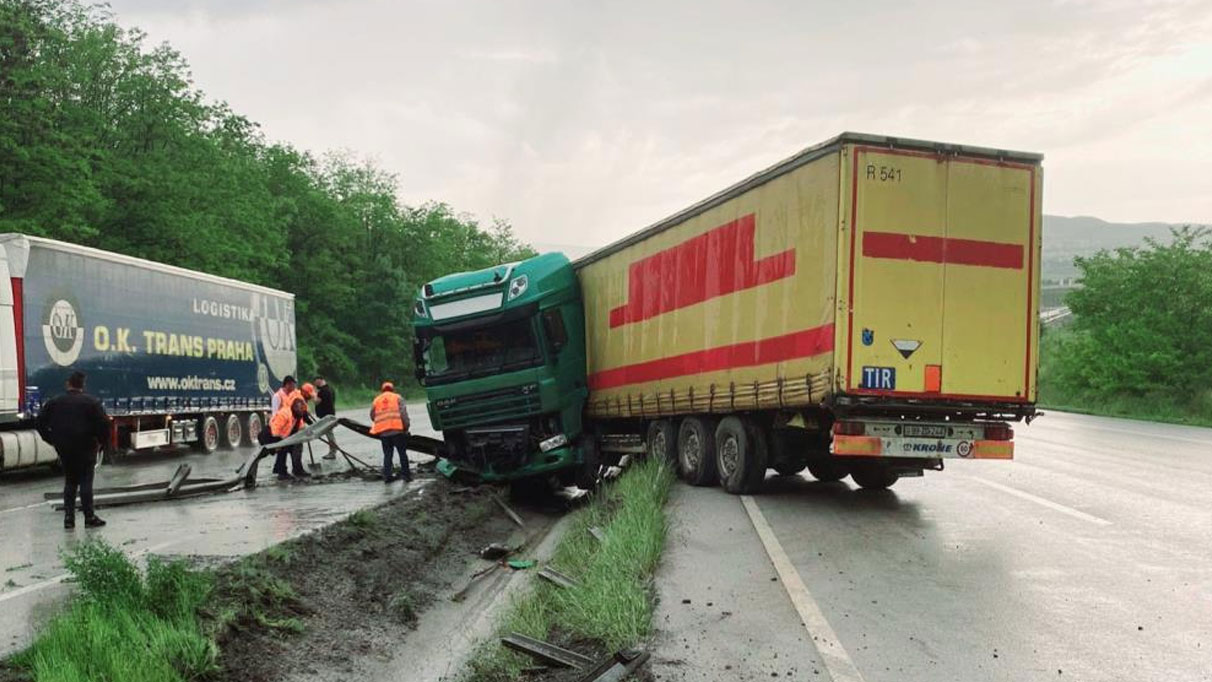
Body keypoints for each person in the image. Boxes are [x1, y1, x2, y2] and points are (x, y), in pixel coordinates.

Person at [36, 371, 110, 529]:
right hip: (86, 446)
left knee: (70, 481)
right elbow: (104, 425)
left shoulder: (55, 402)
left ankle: (69, 518)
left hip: (65, 447)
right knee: (85, 481)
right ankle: (89, 517)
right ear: (83, 385)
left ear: (68, 384)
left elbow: (40, 422)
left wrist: (51, 439)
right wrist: (102, 443)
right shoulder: (92, 402)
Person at [271, 383, 315, 480]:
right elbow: (302, 414)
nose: (310, 398)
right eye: (309, 395)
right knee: (293, 447)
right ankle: (295, 470)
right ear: (304, 392)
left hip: (291, 423)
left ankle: (281, 469)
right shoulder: (299, 398)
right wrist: (312, 424)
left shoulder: (297, 395)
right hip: (289, 424)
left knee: (287, 447)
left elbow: (303, 413)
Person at [370, 381, 411, 483]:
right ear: (392, 389)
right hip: (397, 431)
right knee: (402, 453)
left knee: (387, 455)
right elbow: (403, 414)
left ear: (382, 390)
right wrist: (406, 427)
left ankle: (387, 477)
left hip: (384, 433)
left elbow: (372, 415)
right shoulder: (397, 398)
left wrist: (381, 423)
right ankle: (406, 476)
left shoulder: (376, 400)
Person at [314, 376, 338, 459]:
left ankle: (333, 451)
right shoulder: (331, 389)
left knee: (329, 433)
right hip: (331, 414)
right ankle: (333, 450)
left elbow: (317, 402)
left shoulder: (323, 391)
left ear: (320, 381)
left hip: (326, 416)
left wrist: (312, 395)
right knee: (329, 433)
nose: (316, 385)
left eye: (316, 383)